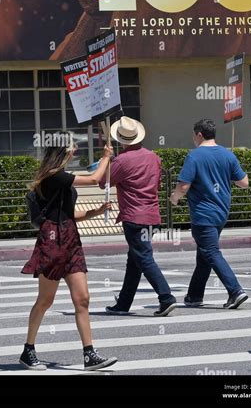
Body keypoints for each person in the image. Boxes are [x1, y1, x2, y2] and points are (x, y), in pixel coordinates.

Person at [20, 132, 118, 371]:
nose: (75, 151)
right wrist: (106, 157)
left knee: (82, 299)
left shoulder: (62, 179)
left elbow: (68, 215)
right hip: (52, 241)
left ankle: (89, 353)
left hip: (71, 238)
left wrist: (95, 212)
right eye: (72, 147)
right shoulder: (53, 176)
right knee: (45, 300)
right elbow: (95, 179)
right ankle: (28, 350)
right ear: (62, 151)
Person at [99, 117, 177, 317]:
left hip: (134, 216)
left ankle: (166, 297)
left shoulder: (122, 160)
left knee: (143, 258)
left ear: (121, 139)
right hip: (151, 214)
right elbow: (156, 183)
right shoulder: (154, 157)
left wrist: (106, 159)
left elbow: (102, 182)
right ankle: (124, 303)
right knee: (134, 261)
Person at [170, 119, 249, 309]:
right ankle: (194, 296)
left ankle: (235, 291)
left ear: (199, 134)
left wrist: (174, 197)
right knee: (204, 254)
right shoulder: (227, 155)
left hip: (203, 214)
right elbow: (244, 182)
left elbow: (184, 185)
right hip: (221, 212)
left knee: (210, 252)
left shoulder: (195, 156)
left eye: (193, 135)